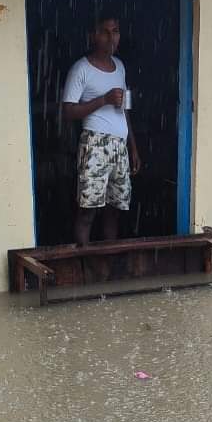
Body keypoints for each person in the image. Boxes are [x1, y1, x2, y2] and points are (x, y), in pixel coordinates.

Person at [62, 13, 141, 247]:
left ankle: (108, 265)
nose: (111, 37)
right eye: (105, 32)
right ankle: (84, 267)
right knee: (88, 210)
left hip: (120, 145)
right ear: (93, 36)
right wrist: (103, 99)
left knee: (114, 210)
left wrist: (133, 148)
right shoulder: (81, 69)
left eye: (115, 31)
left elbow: (126, 110)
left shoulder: (121, 67)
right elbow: (68, 112)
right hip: (94, 144)